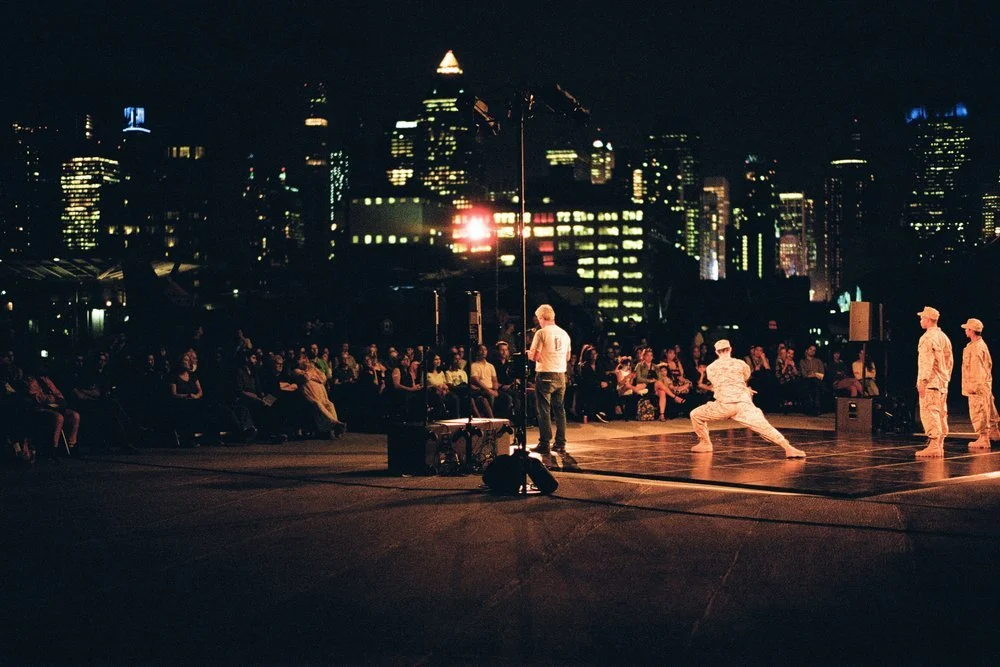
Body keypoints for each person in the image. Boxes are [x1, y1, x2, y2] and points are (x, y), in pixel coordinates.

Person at [689, 340, 805, 458]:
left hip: (724, 405)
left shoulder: (711, 368)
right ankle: (788, 448)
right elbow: (743, 379)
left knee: (695, 414)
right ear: (730, 349)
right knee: (763, 426)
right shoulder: (741, 364)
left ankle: (705, 443)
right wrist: (744, 389)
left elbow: (717, 384)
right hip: (743, 404)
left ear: (716, 352)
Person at [528, 304, 571, 457]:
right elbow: (567, 357)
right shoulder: (564, 334)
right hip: (560, 374)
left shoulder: (541, 333)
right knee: (560, 410)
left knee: (544, 410)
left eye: (538, 318)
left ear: (542, 317)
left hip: (545, 374)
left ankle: (545, 443)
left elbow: (535, 356)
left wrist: (528, 353)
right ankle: (560, 443)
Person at [915, 306, 954, 458]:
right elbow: (949, 360)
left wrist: (923, 381)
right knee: (941, 412)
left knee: (930, 411)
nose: (921, 320)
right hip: (942, 382)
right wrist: (945, 377)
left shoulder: (927, 338)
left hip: (931, 382)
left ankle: (934, 445)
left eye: (922, 318)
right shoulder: (944, 337)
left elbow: (926, 361)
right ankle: (939, 445)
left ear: (929, 320)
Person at [960, 318, 1000, 451]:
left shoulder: (976, 347)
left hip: (977, 384)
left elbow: (977, 368)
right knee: (988, 406)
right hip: (984, 383)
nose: (965, 331)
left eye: (967, 329)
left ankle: (983, 438)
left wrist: (973, 385)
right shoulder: (979, 345)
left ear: (971, 331)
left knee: (979, 409)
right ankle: (994, 433)